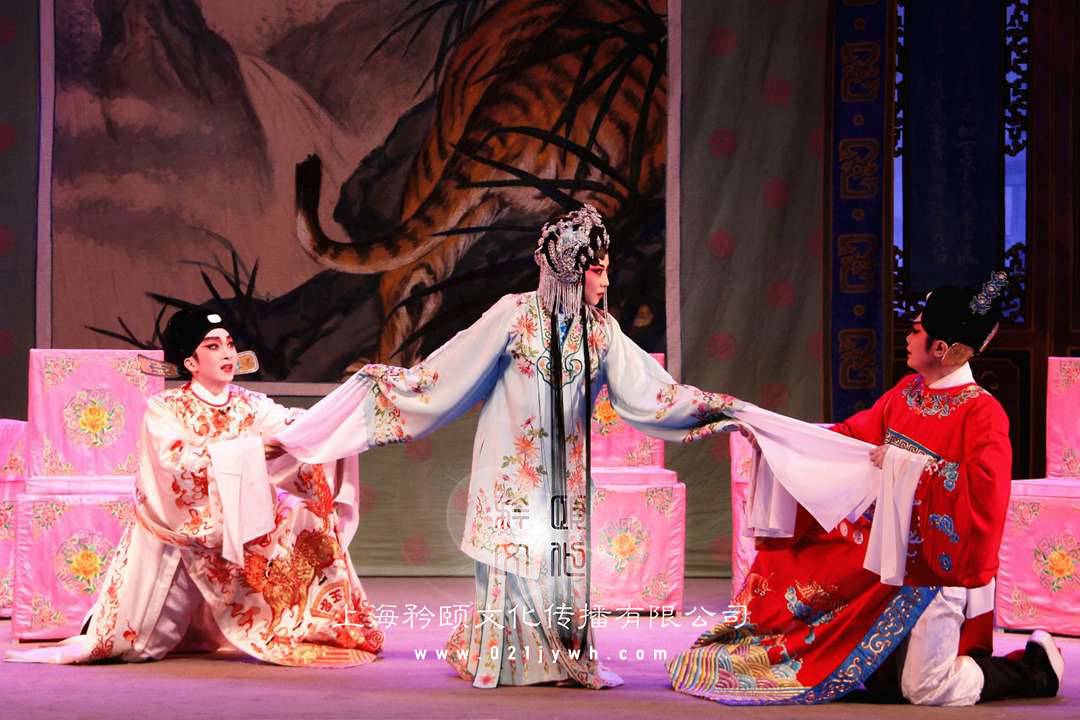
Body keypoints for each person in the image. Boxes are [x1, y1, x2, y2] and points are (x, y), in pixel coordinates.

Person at [273, 204, 743, 688]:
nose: (606, 282)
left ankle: (562, 657)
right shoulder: (515, 315)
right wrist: (385, 389)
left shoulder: (601, 331)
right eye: (597, 271)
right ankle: (508, 659)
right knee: (517, 561)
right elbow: (446, 373)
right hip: (511, 470)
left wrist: (726, 411)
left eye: (607, 270)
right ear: (569, 269)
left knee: (560, 565)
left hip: (566, 477)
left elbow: (653, 392)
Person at [667, 272, 1064, 705]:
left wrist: (908, 466)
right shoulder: (906, 393)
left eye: (916, 330)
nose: (908, 337)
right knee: (800, 568)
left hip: (933, 571)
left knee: (925, 689)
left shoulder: (982, 413)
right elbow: (849, 439)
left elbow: (985, 493)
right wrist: (776, 438)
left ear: (941, 349)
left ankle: (1034, 669)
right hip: (884, 556)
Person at [7, 309, 383, 667]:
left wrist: (353, 403)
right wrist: (253, 450)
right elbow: (176, 468)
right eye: (213, 346)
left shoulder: (251, 404)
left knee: (308, 515)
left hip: (243, 526)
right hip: (181, 533)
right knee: (140, 646)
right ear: (190, 362)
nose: (228, 354)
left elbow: (296, 429)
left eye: (230, 344)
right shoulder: (165, 408)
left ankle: (314, 623)